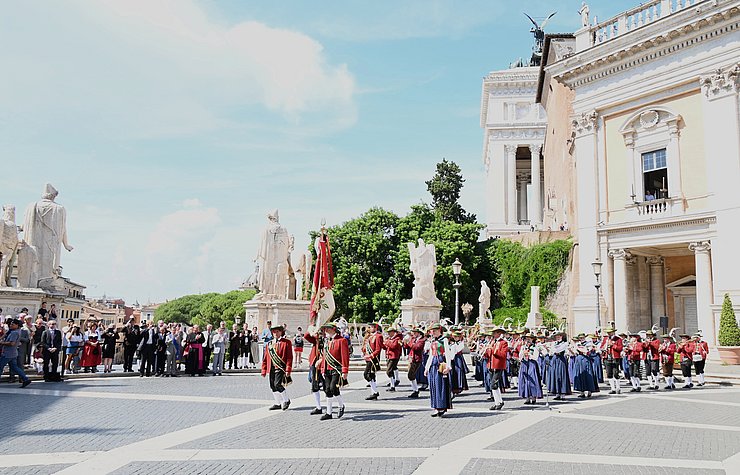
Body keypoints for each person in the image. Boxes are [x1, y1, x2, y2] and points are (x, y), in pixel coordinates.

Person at [318, 322, 349, 420]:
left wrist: (345, 371)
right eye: (325, 329)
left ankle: (341, 405)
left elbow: (345, 356)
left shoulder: (342, 340)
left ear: (334, 329)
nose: (326, 331)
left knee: (333, 388)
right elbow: (325, 356)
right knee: (327, 390)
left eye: (328, 329)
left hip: (337, 369)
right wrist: (323, 368)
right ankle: (329, 412)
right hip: (327, 369)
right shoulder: (327, 341)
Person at [424, 323, 452, 417]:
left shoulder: (444, 340)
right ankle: (436, 407)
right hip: (433, 364)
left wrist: (448, 366)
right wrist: (427, 368)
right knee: (433, 386)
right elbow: (431, 355)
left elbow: (447, 353)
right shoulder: (433, 341)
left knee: (441, 386)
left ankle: (442, 406)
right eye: (432, 330)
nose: (433, 332)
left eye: (435, 330)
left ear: (440, 330)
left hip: (441, 363)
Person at [261, 323, 292, 410]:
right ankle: (278, 403)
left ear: (281, 332)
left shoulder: (286, 342)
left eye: (277, 331)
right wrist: (263, 369)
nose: (275, 333)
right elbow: (265, 357)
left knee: (277, 384)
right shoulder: (269, 343)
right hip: (271, 367)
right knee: (272, 386)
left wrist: (288, 369)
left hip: (281, 367)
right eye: (273, 331)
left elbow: (289, 357)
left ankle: (286, 400)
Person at [0, 319, 32, 387]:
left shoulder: (14, 333)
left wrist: (2, 343)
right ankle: (25, 379)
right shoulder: (15, 331)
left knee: (0, 366)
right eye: (11, 324)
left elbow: (12, 343)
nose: (11, 325)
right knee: (15, 367)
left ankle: (25, 379)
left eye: (13, 324)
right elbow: (6, 334)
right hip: (13, 353)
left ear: (17, 325)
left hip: (8, 353)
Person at [485, 326, 508, 410]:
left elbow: (503, 355)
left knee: (493, 384)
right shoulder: (492, 342)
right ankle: (497, 402)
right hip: (491, 365)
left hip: (498, 365)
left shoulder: (503, 343)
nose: (493, 334)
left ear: (499, 333)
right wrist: (485, 351)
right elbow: (489, 354)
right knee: (493, 385)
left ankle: (500, 401)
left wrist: (494, 349)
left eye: (495, 332)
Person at [304, 326, 325, 415]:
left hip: (324, 364)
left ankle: (334, 407)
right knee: (314, 385)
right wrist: (311, 329)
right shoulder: (315, 340)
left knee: (329, 388)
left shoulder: (328, 340)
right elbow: (306, 336)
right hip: (314, 363)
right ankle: (318, 407)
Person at [518, 333, 542, 405]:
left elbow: (535, 357)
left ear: (532, 339)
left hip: (532, 364)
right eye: (526, 339)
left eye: (529, 339)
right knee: (524, 380)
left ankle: (534, 397)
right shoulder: (523, 347)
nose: (527, 340)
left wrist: (529, 354)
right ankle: (527, 397)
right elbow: (520, 357)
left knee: (532, 380)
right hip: (524, 364)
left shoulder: (535, 348)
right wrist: (523, 353)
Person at [362, 322, 384, 400]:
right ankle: (374, 392)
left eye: (371, 327)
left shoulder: (378, 336)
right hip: (369, 358)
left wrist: (371, 355)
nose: (370, 328)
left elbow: (378, 349)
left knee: (366, 374)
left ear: (375, 328)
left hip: (374, 359)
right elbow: (367, 347)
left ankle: (374, 391)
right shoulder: (370, 336)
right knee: (371, 375)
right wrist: (364, 351)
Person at [546, 331, 571, 400]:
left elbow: (558, 350)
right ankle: (557, 393)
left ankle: (563, 393)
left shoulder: (565, 344)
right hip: (555, 360)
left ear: (562, 337)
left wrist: (553, 349)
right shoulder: (554, 343)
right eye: (556, 337)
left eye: (559, 336)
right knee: (555, 375)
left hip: (561, 360)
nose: (558, 338)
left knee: (562, 375)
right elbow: (551, 352)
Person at [405, 327, 425, 398]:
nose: (413, 333)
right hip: (411, 358)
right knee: (411, 375)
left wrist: (409, 343)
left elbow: (417, 348)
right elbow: (407, 346)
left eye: (415, 332)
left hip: (416, 359)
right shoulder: (413, 339)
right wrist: (405, 342)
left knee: (411, 375)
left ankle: (415, 390)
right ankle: (415, 390)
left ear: (419, 333)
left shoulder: (422, 340)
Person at [603, 327, 623, 394]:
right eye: (608, 332)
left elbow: (620, 348)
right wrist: (603, 347)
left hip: (615, 357)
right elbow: (602, 347)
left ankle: (618, 388)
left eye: (610, 332)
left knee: (616, 373)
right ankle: (612, 389)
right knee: (609, 373)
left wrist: (613, 345)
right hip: (607, 357)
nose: (609, 333)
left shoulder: (618, 339)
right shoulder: (605, 338)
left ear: (613, 332)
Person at [384, 326, 402, 391]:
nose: (388, 333)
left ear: (393, 332)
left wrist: (386, 342)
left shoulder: (397, 339)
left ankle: (393, 384)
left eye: (389, 332)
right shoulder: (389, 339)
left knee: (389, 371)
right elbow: (386, 347)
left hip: (394, 356)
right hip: (389, 356)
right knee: (391, 370)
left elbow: (393, 346)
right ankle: (393, 384)